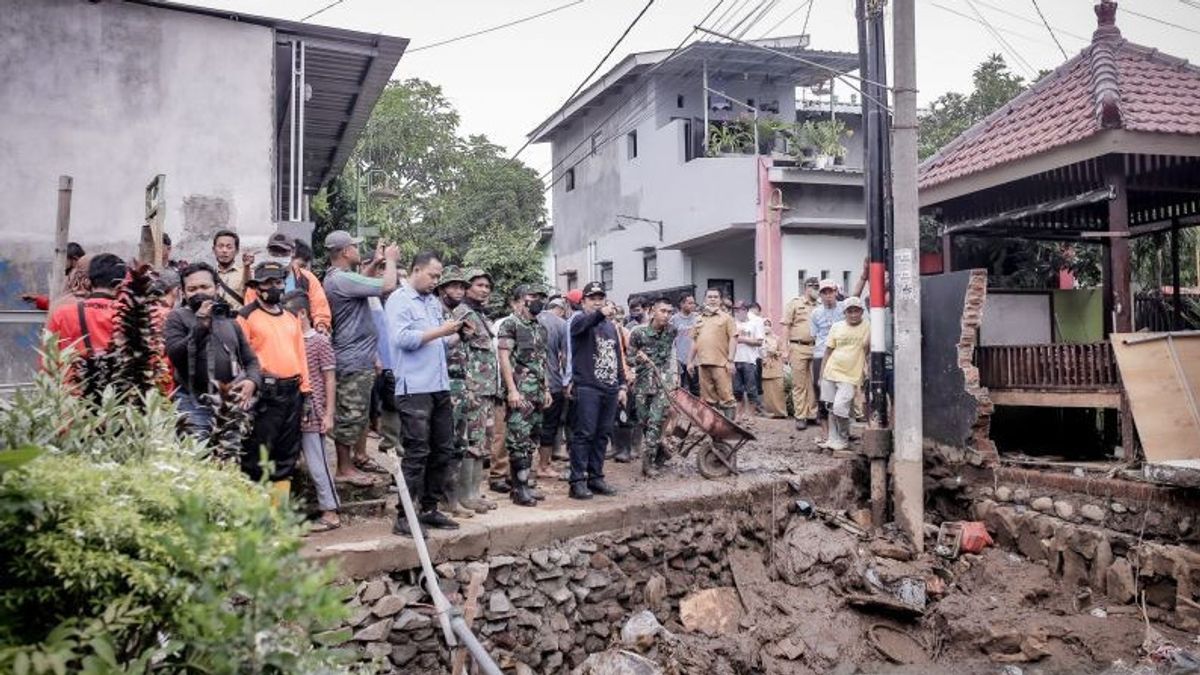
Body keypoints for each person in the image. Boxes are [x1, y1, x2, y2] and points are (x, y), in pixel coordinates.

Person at [386, 252, 463, 535]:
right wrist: (440, 330)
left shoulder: (432, 302)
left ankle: (429, 508)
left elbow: (437, 344)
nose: (436, 281)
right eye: (432, 275)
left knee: (443, 448)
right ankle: (404, 515)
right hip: (414, 387)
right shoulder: (399, 300)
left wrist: (454, 335)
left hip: (439, 385)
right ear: (415, 270)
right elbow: (402, 339)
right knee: (417, 451)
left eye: (438, 276)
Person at [323, 230, 400, 485]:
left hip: (360, 358)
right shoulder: (340, 280)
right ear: (345, 252)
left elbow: (361, 285)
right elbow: (387, 286)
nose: (359, 250)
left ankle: (351, 464)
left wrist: (376, 264)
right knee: (350, 415)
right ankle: (344, 469)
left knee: (358, 415)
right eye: (355, 247)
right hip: (352, 359)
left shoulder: (343, 279)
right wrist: (390, 260)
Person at [236, 261, 311, 496]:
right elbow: (240, 358)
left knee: (286, 456)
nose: (274, 287)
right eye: (268, 283)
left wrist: (306, 393)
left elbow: (301, 354)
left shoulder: (290, 317)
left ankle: (278, 518)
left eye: (278, 282)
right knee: (257, 457)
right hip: (264, 394)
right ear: (257, 287)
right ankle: (255, 520)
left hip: (292, 392)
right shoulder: (246, 316)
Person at [164, 263, 260, 439]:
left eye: (204, 287)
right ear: (183, 292)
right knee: (195, 460)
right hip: (193, 404)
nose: (199, 292)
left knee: (228, 461)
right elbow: (176, 356)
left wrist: (252, 381)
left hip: (229, 406)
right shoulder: (177, 317)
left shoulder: (231, 321)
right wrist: (200, 325)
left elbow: (251, 360)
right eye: (192, 289)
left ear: (216, 288)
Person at [281, 291, 342, 532]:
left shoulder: (319, 341)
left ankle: (330, 511)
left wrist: (328, 413)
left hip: (313, 411)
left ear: (302, 313)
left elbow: (329, 378)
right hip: (290, 411)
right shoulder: (289, 340)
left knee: (318, 464)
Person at [448, 268, 501, 513]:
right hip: (471, 388)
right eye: (479, 285)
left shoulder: (480, 314)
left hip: (486, 388)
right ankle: (465, 495)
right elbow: (460, 353)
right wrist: (467, 387)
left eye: (487, 286)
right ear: (468, 287)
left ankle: (475, 492)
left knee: (482, 440)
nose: (484, 290)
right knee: (469, 441)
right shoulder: (462, 313)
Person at [566, 281, 626, 500]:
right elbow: (585, 324)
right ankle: (577, 481)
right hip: (588, 387)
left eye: (601, 297)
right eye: (592, 298)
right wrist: (601, 313)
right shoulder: (579, 320)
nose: (597, 301)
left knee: (602, 435)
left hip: (609, 388)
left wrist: (622, 385)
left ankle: (596, 477)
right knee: (584, 434)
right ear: (583, 302)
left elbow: (618, 356)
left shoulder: (610, 327)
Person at [497, 285, 553, 506]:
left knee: (531, 440)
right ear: (520, 300)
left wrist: (547, 388)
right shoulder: (510, 324)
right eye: (532, 297)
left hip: (537, 392)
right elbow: (504, 358)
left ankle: (524, 483)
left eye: (540, 297)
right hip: (520, 392)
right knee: (518, 440)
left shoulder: (541, 328)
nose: (536, 300)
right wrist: (511, 390)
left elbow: (542, 360)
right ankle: (519, 488)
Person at [436, 267, 477, 520]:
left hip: (460, 386)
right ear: (442, 289)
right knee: (446, 443)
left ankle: (452, 498)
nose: (459, 291)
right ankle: (444, 499)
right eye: (453, 286)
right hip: (444, 385)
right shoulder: (435, 312)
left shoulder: (457, 316)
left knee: (459, 444)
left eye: (462, 287)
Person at [627, 297, 677, 477]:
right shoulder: (638, 333)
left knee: (656, 420)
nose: (667, 315)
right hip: (642, 383)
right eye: (663, 311)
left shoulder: (672, 331)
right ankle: (659, 449)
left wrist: (673, 380)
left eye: (670, 312)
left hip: (662, 383)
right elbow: (629, 358)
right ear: (652, 312)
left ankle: (648, 463)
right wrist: (638, 358)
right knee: (644, 421)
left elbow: (671, 356)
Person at [46, 253, 126, 356]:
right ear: (121, 285)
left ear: (88, 282)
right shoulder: (128, 314)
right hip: (117, 371)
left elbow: (48, 358)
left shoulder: (61, 314)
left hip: (70, 371)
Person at [819, 297, 870, 451]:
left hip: (851, 375)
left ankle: (843, 437)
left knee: (841, 407)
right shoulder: (837, 327)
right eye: (850, 311)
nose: (853, 314)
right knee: (830, 407)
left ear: (861, 312)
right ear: (845, 313)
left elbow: (869, 351)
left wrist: (867, 370)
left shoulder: (868, 327)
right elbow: (828, 351)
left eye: (856, 311)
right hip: (831, 371)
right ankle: (832, 439)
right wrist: (821, 375)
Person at [688, 288, 738, 420]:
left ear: (720, 300)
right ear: (705, 299)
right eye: (709, 297)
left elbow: (734, 338)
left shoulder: (727, 318)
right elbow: (694, 341)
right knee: (707, 398)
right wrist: (690, 361)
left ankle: (729, 429)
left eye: (716, 297)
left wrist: (731, 360)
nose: (712, 299)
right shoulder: (698, 319)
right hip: (703, 363)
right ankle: (713, 427)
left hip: (721, 364)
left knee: (726, 396)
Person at [782, 277, 820, 430]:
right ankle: (800, 416)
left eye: (818, 286)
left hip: (816, 347)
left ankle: (812, 413)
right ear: (806, 287)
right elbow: (786, 327)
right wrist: (784, 349)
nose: (816, 289)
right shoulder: (795, 303)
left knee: (815, 383)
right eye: (813, 286)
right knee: (799, 383)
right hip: (798, 346)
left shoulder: (820, 305)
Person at [810, 279, 846, 434]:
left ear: (835, 292)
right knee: (820, 390)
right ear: (820, 295)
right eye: (824, 293)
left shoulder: (844, 309)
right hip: (821, 353)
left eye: (830, 292)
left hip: (841, 354)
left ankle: (841, 430)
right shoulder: (816, 313)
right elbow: (813, 335)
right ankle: (825, 431)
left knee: (842, 391)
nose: (828, 295)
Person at [539, 296, 570, 471]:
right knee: (550, 425)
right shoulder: (561, 324)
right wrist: (567, 382)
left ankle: (523, 470)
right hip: (553, 381)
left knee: (527, 427)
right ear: (562, 309)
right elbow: (564, 357)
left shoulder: (531, 318)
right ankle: (544, 465)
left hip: (529, 382)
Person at [21, 243, 86, 310]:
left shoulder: (79, 278)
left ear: (75, 259)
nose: (59, 263)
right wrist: (37, 298)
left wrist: (38, 299)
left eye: (63, 259)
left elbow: (64, 305)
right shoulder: (72, 277)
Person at [732, 301, 764, 420]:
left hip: (749, 360)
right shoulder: (732, 324)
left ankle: (751, 416)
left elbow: (759, 341)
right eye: (735, 310)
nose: (736, 312)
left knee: (752, 390)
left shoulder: (754, 324)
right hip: (734, 360)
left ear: (745, 311)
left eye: (739, 310)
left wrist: (742, 339)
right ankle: (738, 416)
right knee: (737, 391)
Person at [211, 229, 252, 309]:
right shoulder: (209, 275)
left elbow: (249, 291)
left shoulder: (245, 273)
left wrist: (247, 267)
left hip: (237, 319)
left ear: (236, 251)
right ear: (214, 250)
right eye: (220, 246)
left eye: (229, 247)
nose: (224, 250)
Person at [670, 294, 700, 396]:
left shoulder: (697, 318)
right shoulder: (674, 319)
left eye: (693, 303)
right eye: (690, 303)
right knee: (680, 388)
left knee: (696, 389)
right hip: (679, 359)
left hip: (694, 360)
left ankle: (696, 411)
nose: (693, 305)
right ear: (682, 304)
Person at [760, 319, 788, 418]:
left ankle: (781, 412)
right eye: (765, 324)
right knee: (768, 392)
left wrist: (774, 352)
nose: (767, 326)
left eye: (768, 324)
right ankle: (771, 412)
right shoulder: (760, 338)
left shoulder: (777, 338)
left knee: (778, 389)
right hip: (765, 366)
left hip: (776, 366)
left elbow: (783, 352)